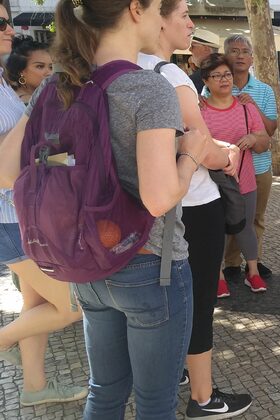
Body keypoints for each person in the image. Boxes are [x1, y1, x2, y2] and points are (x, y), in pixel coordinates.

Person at [0, 0, 210, 417]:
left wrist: (69, 163)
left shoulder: (57, 82)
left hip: (85, 263)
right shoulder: (149, 88)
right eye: (158, 9)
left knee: (105, 392)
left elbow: (8, 171)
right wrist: (190, 155)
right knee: (155, 402)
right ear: (136, 9)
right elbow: (158, 198)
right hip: (150, 266)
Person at [138, 0, 252, 417]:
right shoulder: (168, 74)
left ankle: (181, 371)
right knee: (199, 300)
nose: (191, 23)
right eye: (183, 15)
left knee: (167, 296)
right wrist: (227, 156)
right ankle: (204, 398)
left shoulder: (121, 70)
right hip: (192, 203)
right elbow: (202, 148)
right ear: (156, 19)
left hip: (153, 204)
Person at [0, 1, 87, 406]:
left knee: (35, 303)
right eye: (2, 22)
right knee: (73, 305)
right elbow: (5, 166)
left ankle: (34, 389)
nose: (10, 29)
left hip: (21, 212)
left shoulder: (2, 84)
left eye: (9, 20)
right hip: (8, 217)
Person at [200, 53, 270, 296]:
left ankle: (253, 273)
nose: (223, 80)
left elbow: (265, 142)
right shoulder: (200, 111)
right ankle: (217, 276)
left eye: (227, 74)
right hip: (212, 183)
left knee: (246, 227)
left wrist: (253, 139)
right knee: (215, 230)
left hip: (245, 180)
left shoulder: (246, 107)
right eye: (216, 76)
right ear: (206, 81)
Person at [218, 34, 279, 289]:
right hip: (226, 166)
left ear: (252, 58)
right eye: (234, 50)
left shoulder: (264, 90)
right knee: (227, 218)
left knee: (255, 217)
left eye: (245, 51)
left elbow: (272, 129)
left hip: (259, 166)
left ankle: (252, 262)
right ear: (226, 56)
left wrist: (253, 106)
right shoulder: (216, 86)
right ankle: (229, 263)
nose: (240, 55)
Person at [5, 35, 53, 104]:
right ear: (21, 70)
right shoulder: (18, 102)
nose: (49, 73)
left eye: (51, 67)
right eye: (40, 66)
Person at [188, 28, 220, 93]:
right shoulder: (229, 71)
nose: (190, 49)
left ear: (206, 49)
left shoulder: (194, 79)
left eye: (193, 46)